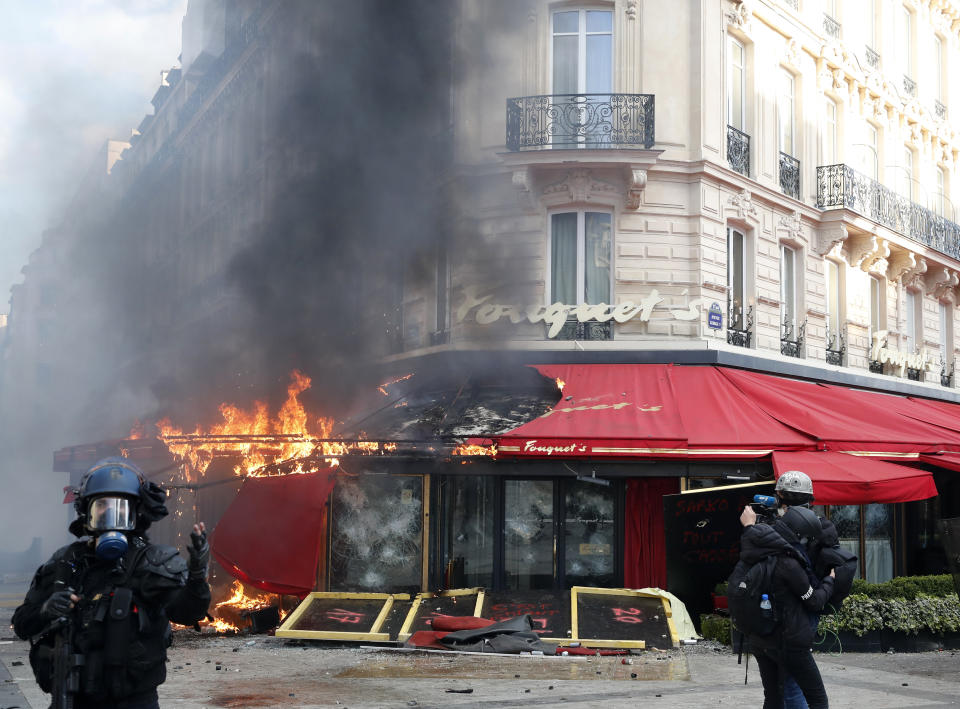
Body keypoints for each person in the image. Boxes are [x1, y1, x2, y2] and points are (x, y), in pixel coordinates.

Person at [13, 457, 211, 709]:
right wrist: (46, 610)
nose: (111, 518)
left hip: (134, 701)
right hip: (74, 700)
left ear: (136, 515)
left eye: (120, 510)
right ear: (87, 514)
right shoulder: (66, 563)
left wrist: (196, 576)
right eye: (101, 509)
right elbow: (22, 624)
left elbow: (188, 612)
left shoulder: (152, 562)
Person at [739, 503, 836, 709]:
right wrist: (829, 581)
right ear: (799, 535)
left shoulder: (754, 554)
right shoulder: (788, 563)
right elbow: (815, 601)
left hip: (759, 639)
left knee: (772, 698)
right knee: (818, 699)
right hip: (789, 642)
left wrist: (749, 527)